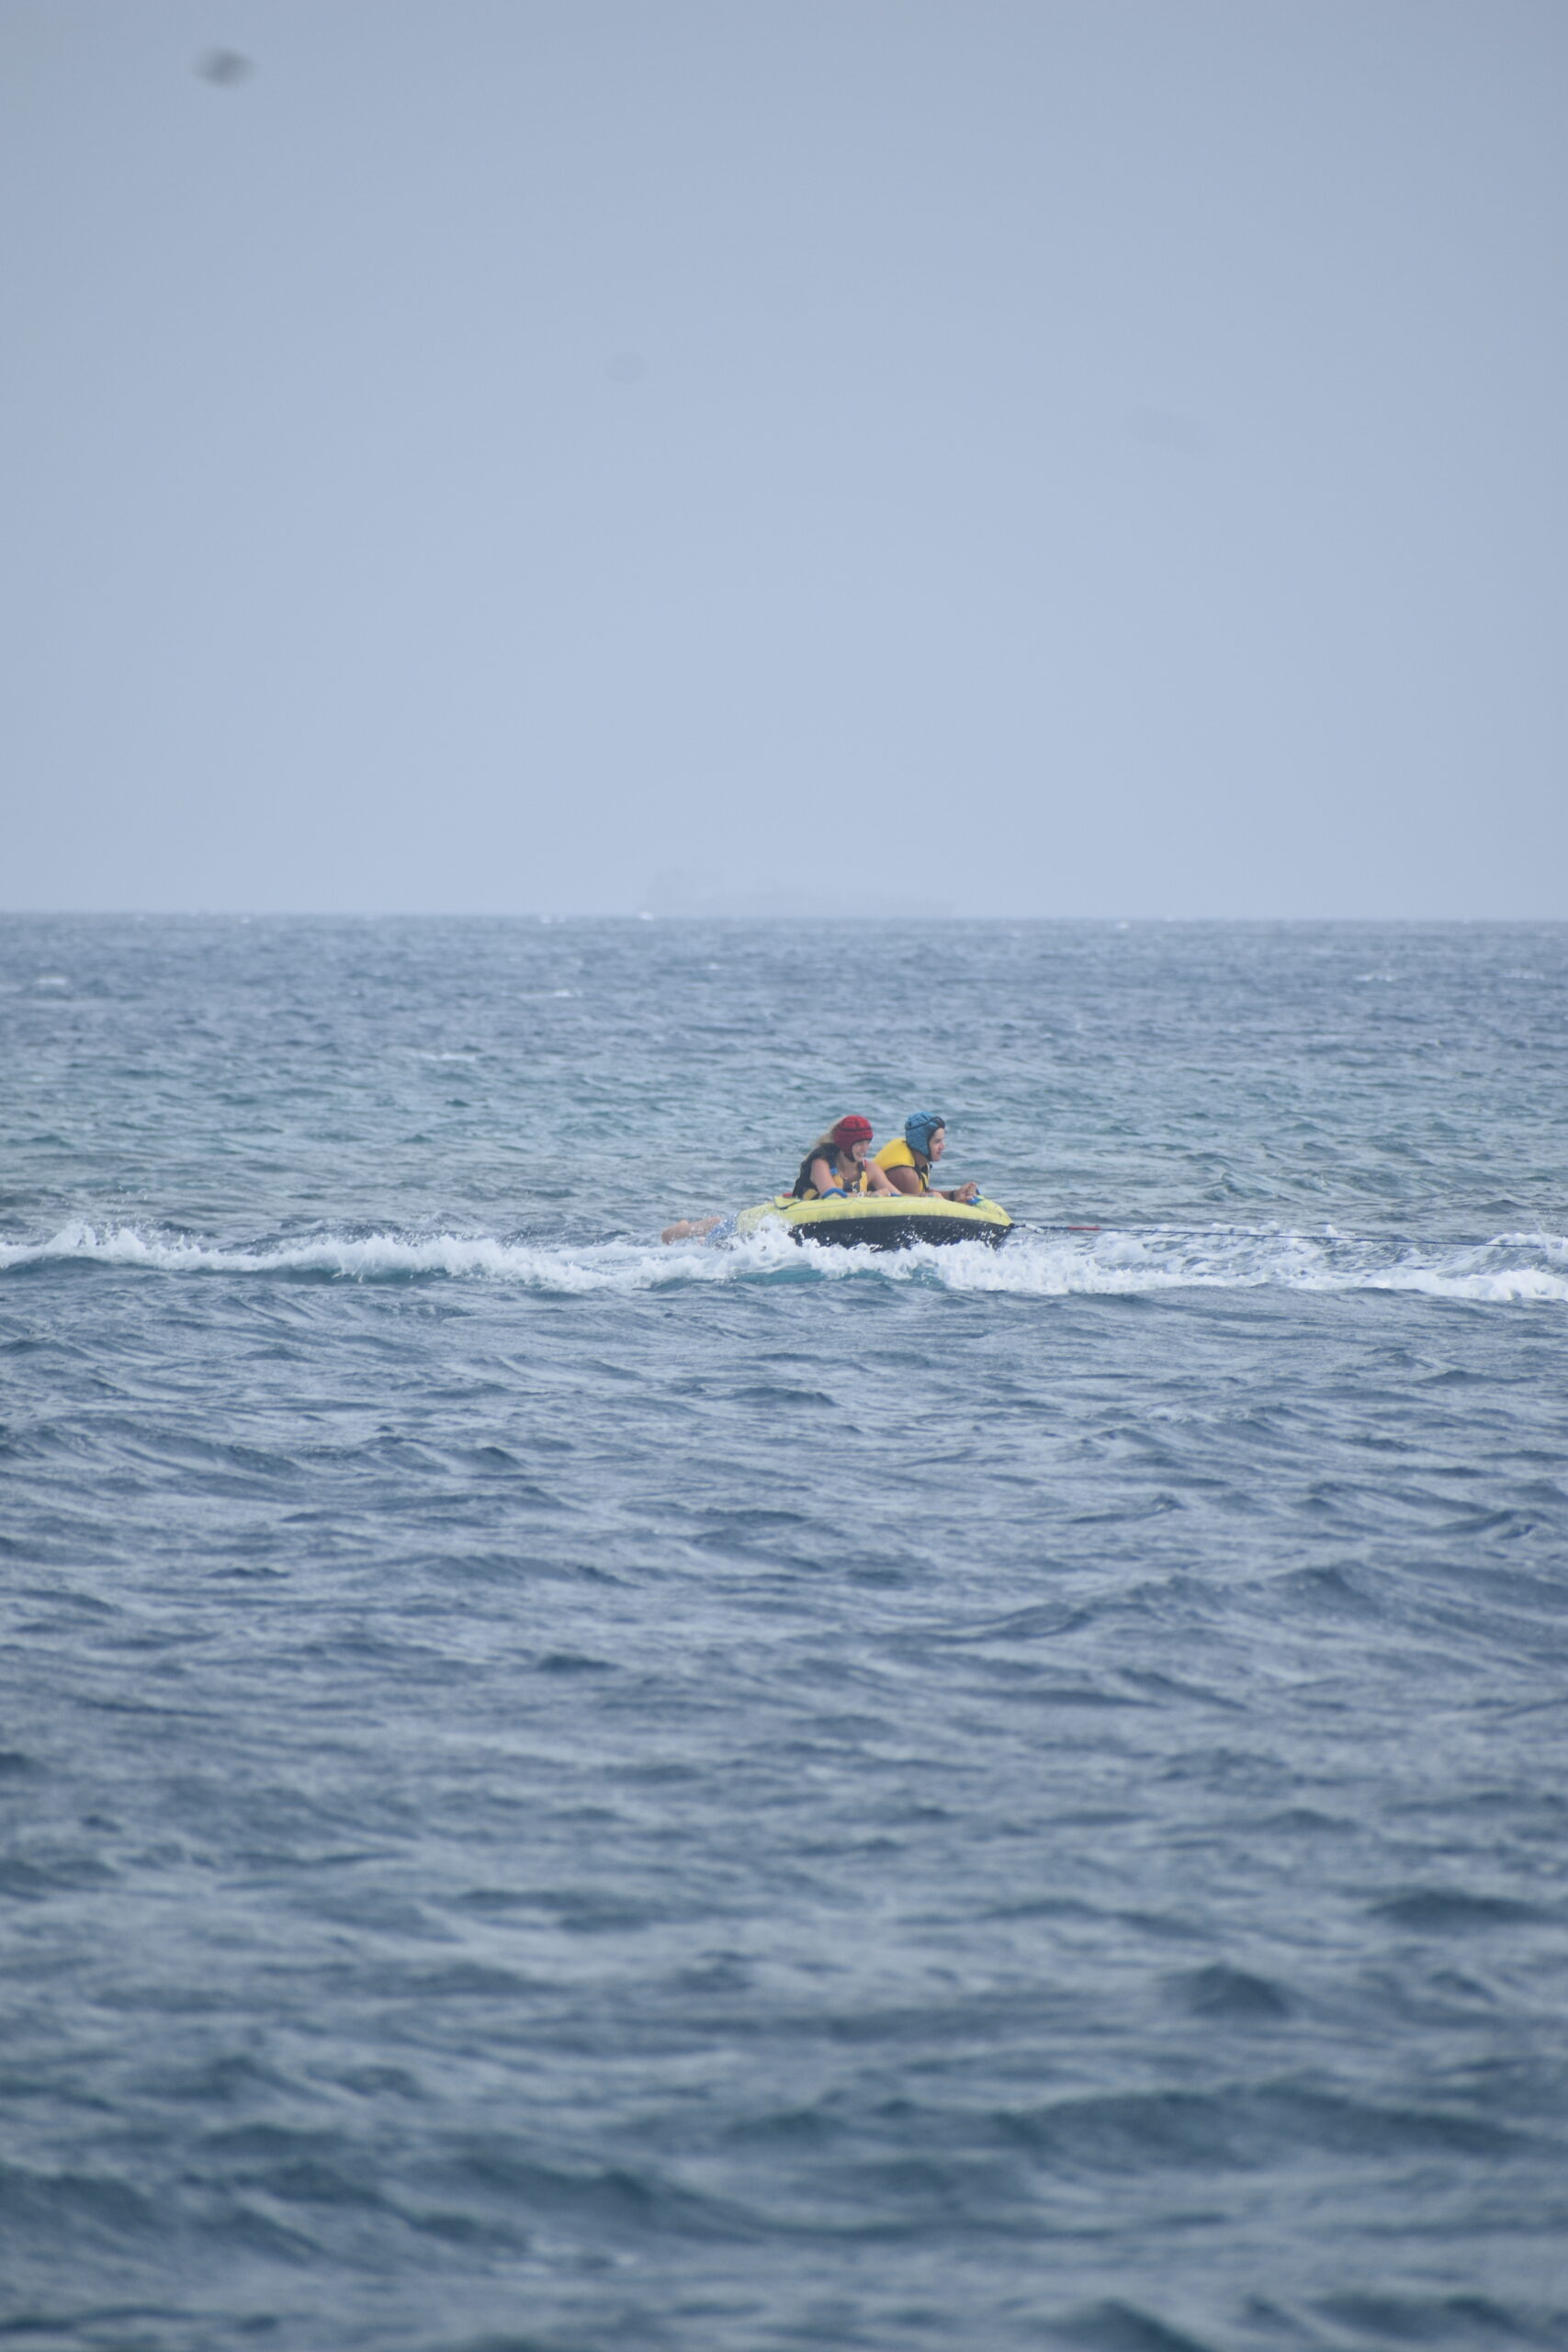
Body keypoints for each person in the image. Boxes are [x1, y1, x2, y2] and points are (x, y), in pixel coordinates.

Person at [873, 1112, 980, 1203]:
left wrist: (955, 1194)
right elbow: (917, 1211)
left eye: (942, 1141)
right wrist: (959, 1202)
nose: (943, 1147)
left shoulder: (918, 1159)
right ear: (922, 1144)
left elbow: (923, 1193)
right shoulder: (906, 1174)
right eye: (937, 1142)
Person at [791, 1114, 897, 1201]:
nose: (865, 1149)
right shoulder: (821, 1163)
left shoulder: (870, 1169)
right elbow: (832, 1196)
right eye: (860, 1143)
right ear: (846, 1144)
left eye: (868, 1143)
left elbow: (898, 1196)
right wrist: (870, 1195)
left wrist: (886, 1194)